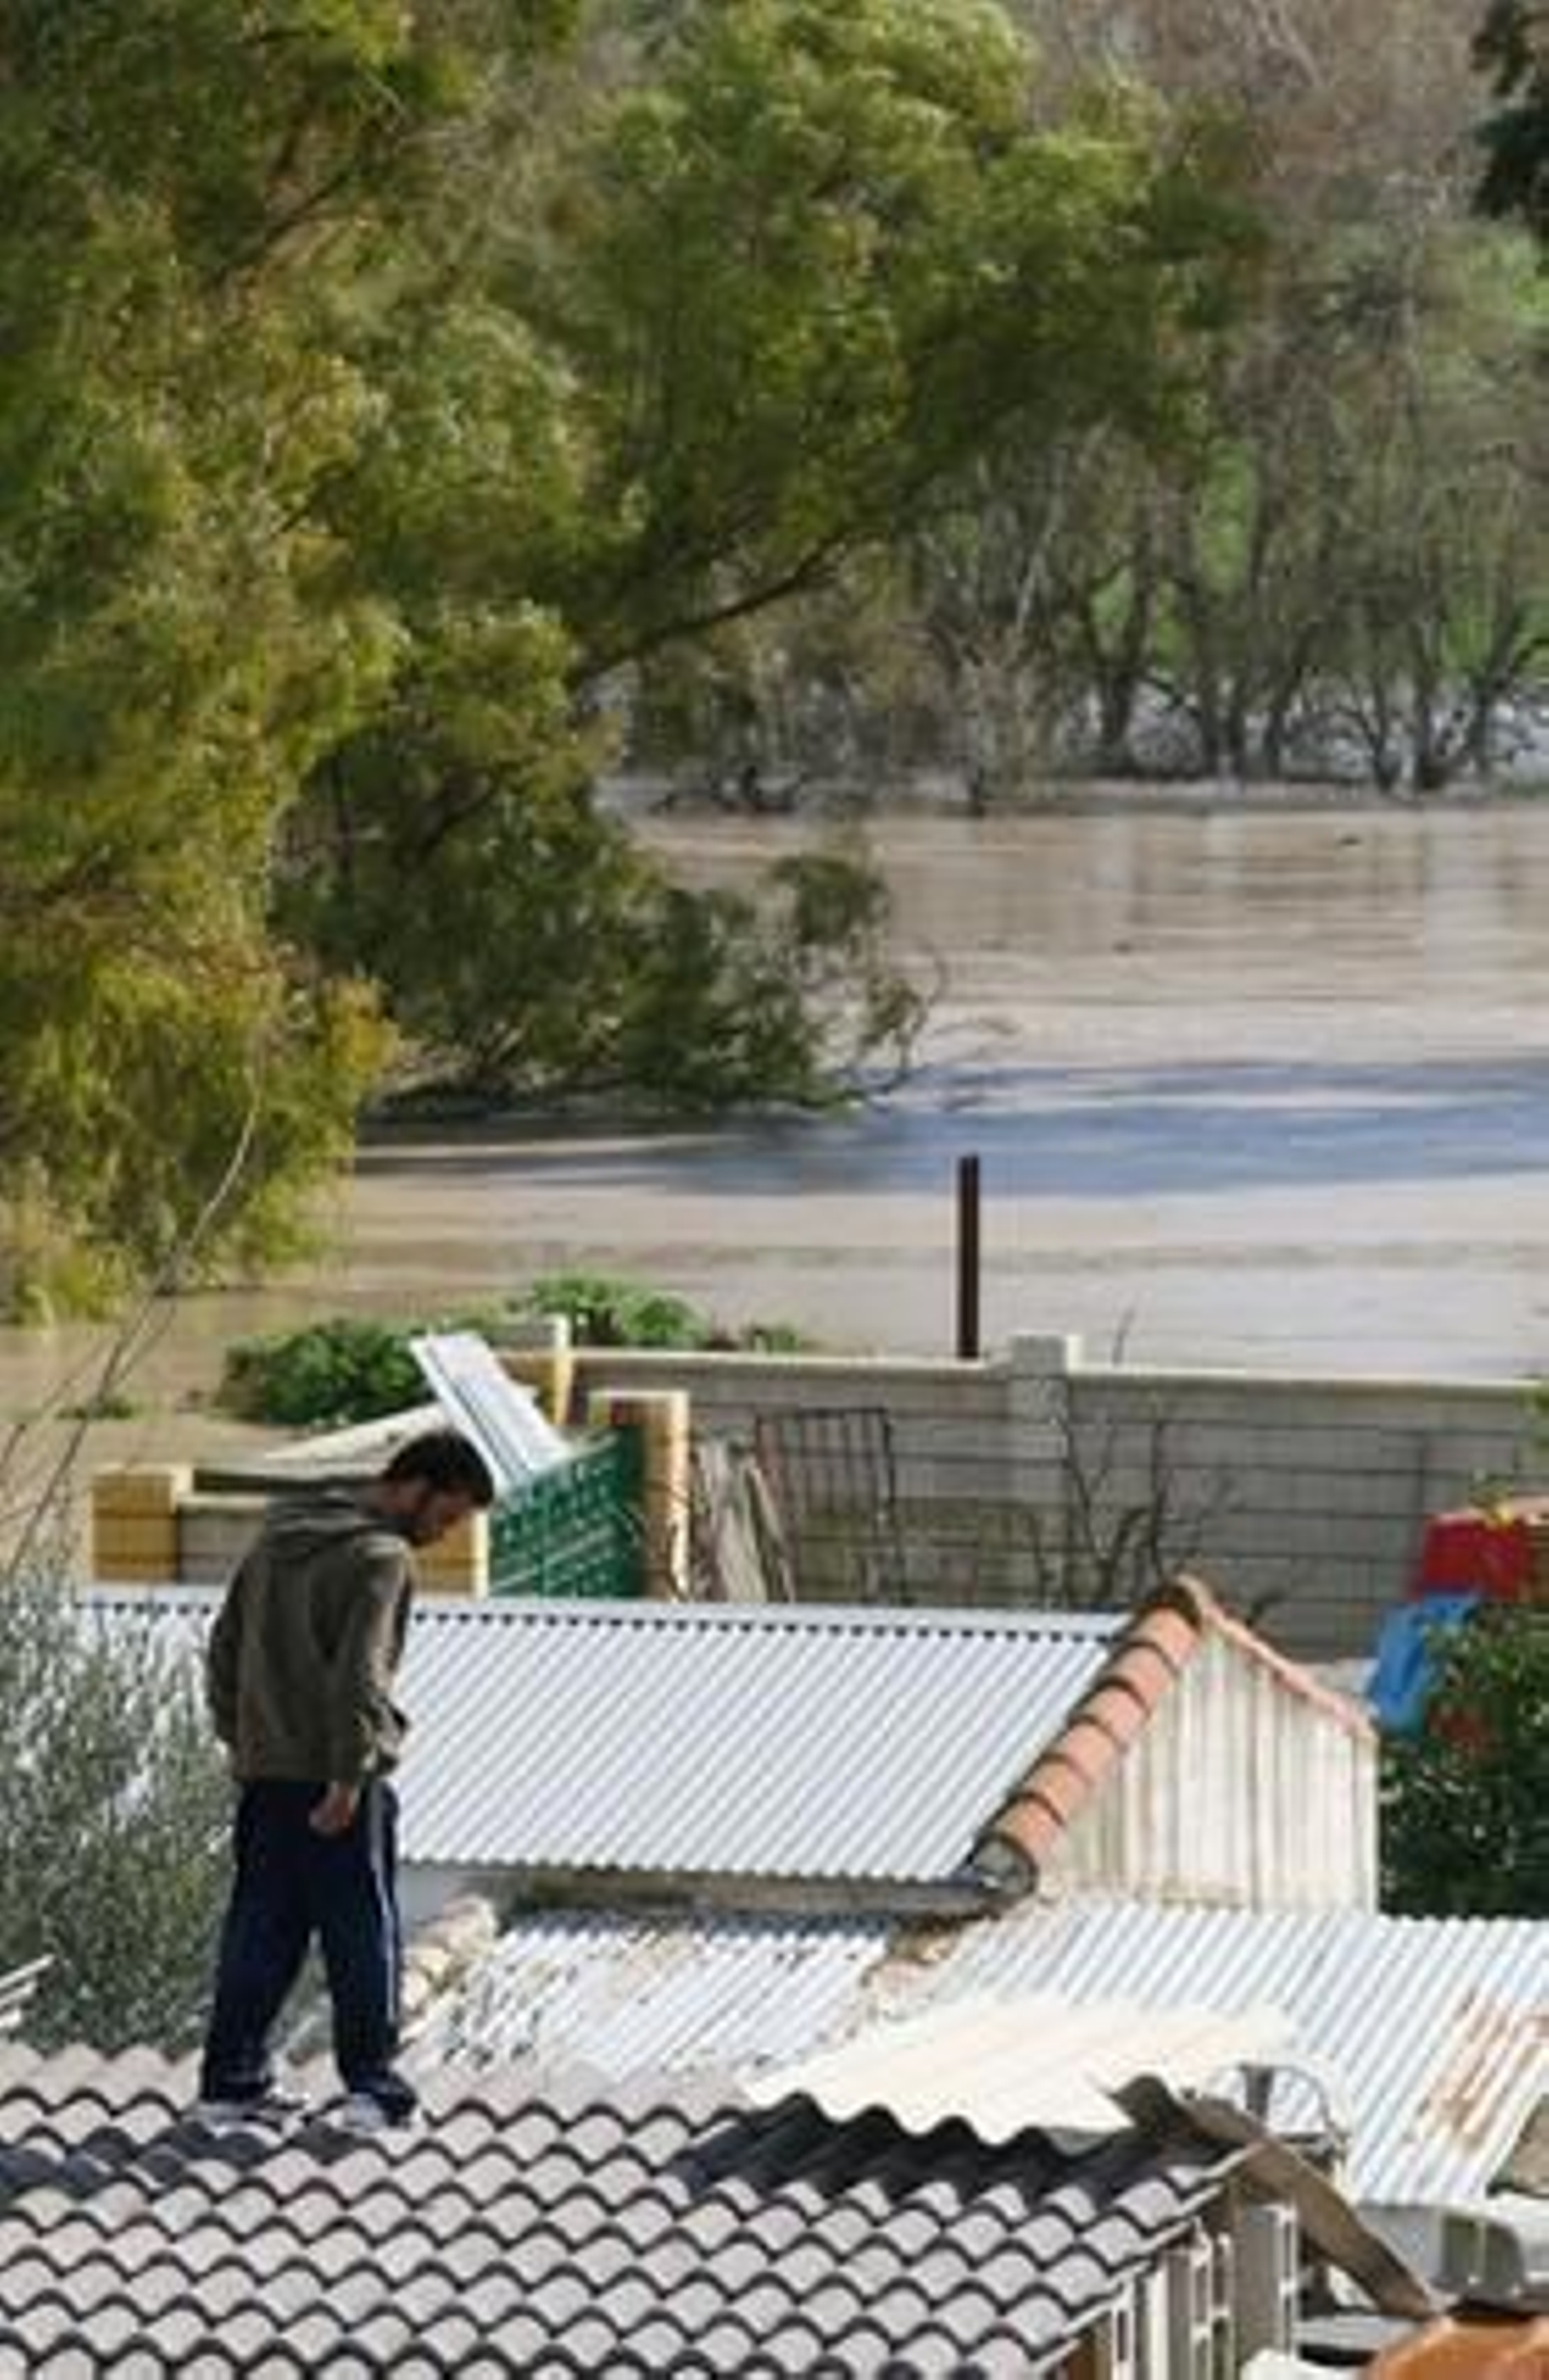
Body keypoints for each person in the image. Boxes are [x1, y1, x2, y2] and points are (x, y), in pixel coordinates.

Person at [196, 1428, 497, 2131]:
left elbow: (224, 1649)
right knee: (363, 1931)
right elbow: (361, 1677)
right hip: (337, 1784)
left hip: (266, 1775)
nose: (442, 1534)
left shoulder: (277, 1537)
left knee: (259, 1931)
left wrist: (243, 1743)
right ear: (414, 1488)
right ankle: (372, 2089)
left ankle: (229, 2085)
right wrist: (348, 1778)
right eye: (445, 1517)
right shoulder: (380, 1557)